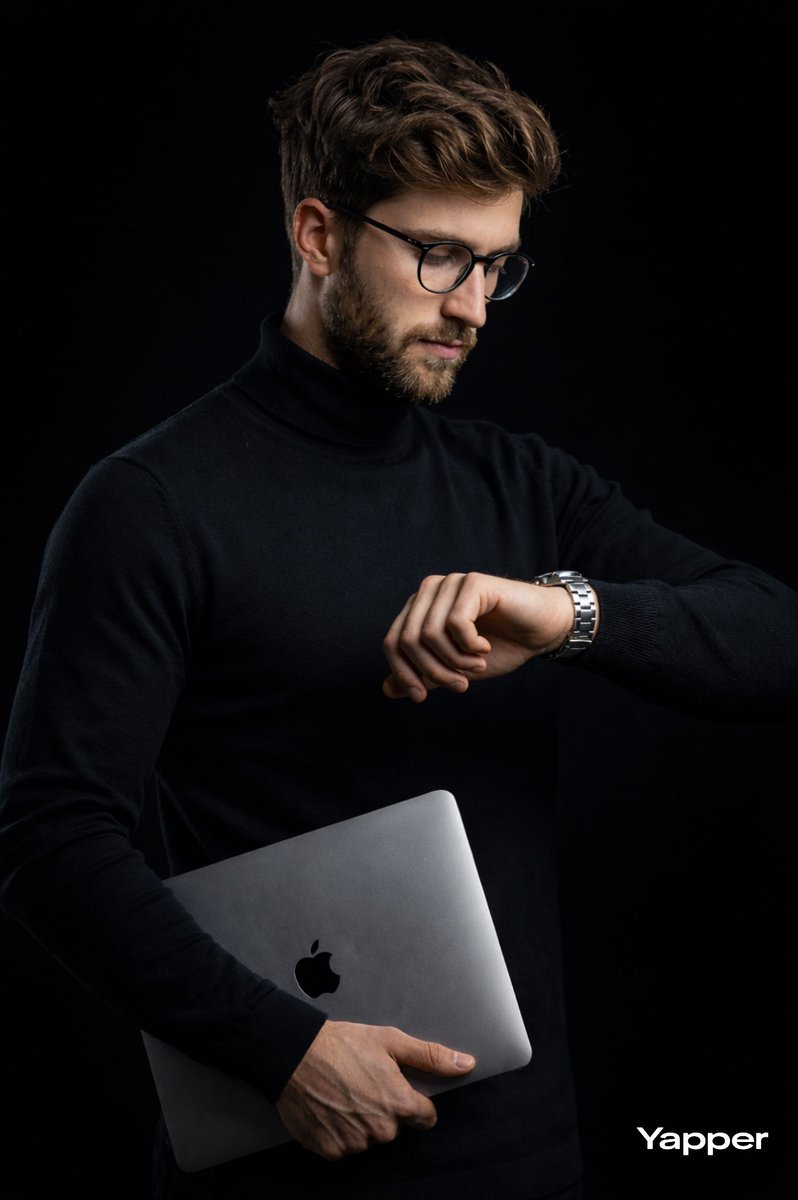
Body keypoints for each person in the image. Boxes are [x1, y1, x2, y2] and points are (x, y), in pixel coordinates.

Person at [1, 35, 796, 1200]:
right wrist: (288, 1051)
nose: (473, 307)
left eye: (498, 267)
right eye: (438, 258)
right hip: (281, 1163)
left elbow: (776, 638)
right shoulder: (152, 504)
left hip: (532, 1164)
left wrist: (570, 612)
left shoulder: (523, 488)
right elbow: (50, 841)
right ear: (318, 234)